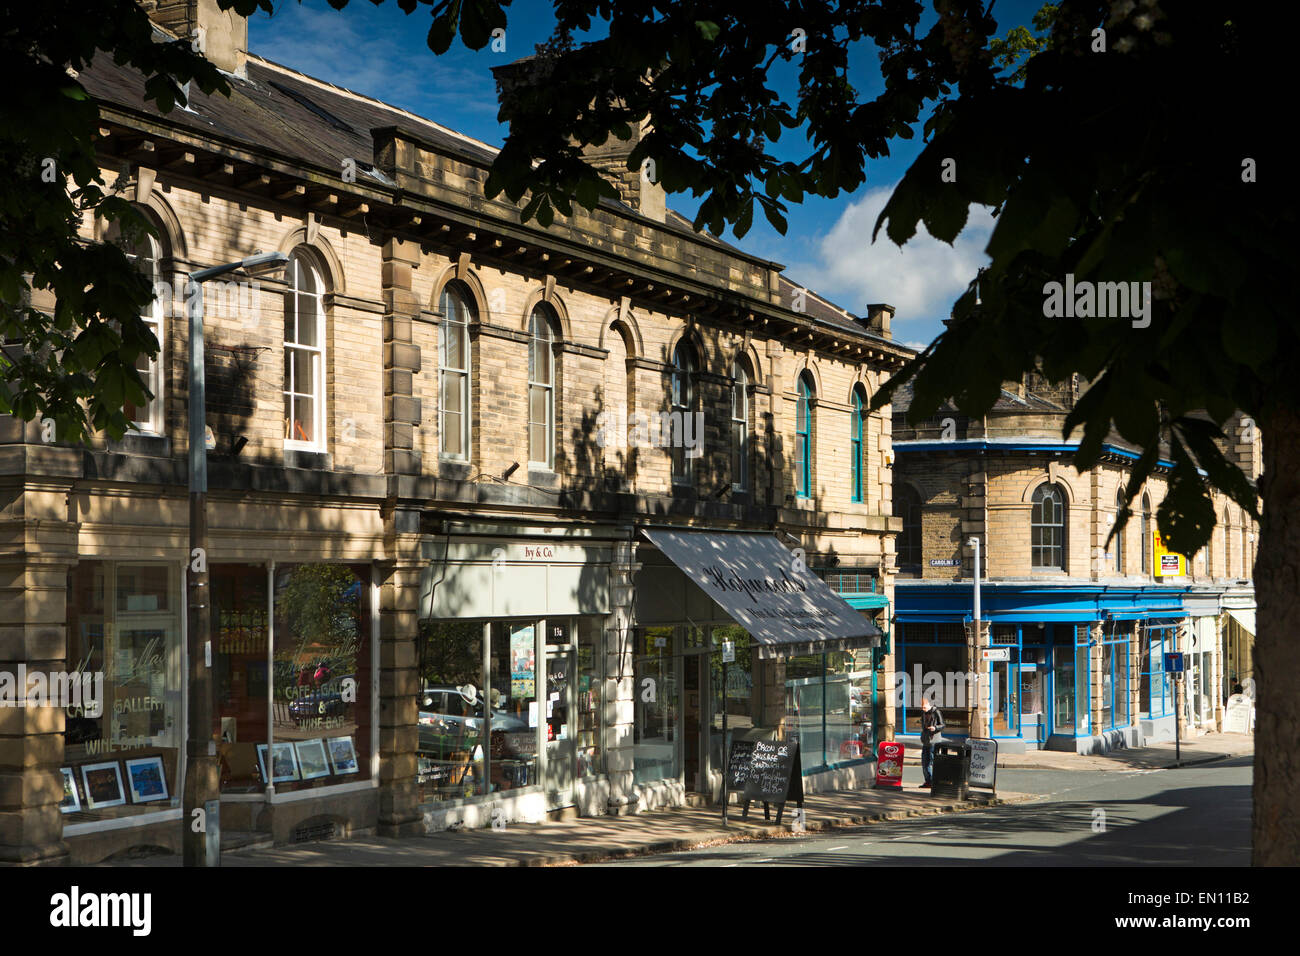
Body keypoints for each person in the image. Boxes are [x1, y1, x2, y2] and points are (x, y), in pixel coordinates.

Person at [919, 696, 945, 788]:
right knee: (924, 762)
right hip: (926, 740)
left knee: (931, 761)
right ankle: (928, 781)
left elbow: (943, 725)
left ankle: (935, 782)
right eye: (922, 708)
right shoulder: (923, 713)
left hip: (934, 741)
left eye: (924, 707)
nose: (923, 709)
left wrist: (935, 728)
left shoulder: (936, 712)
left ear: (929, 704)